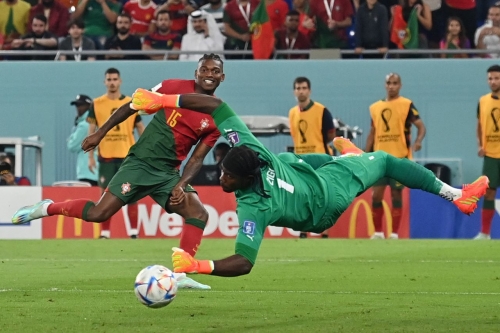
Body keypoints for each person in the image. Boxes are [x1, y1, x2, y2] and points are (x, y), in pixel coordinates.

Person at [122, 89, 488, 277]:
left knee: (388, 161)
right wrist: (163, 100)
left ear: (245, 177)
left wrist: (197, 265)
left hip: (325, 197)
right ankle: (352, 160)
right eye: (222, 171)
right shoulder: (249, 151)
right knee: (296, 160)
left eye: (227, 175)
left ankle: (459, 197)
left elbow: (244, 261)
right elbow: (215, 104)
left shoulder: (254, 205)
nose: (221, 176)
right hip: (313, 190)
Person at [11, 53, 225, 289]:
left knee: (199, 213)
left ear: (222, 77)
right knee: (98, 214)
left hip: (168, 173)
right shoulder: (171, 86)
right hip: (140, 163)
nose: (209, 75)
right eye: (204, 69)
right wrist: (99, 134)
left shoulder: (216, 117)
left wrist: (181, 184)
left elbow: (197, 158)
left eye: (215, 71)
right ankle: (46, 208)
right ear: (196, 73)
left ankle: (181, 273)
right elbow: (132, 107)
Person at [365, 73, 426, 240]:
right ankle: (377, 232)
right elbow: (373, 132)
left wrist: (419, 141)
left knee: (396, 195)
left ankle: (394, 233)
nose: (391, 86)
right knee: (376, 194)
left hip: (399, 158)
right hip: (380, 159)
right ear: (385, 85)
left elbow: (421, 126)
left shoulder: (407, 105)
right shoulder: (375, 107)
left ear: (400, 85)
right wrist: (364, 153)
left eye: (395, 83)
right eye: (389, 83)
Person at [87, 67, 145, 239]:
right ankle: (105, 233)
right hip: (106, 157)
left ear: (120, 81)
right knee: (106, 195)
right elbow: (92, 131)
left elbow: (140, 127)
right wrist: (90, 156)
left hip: (128, 157)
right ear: (105, 82)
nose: (112, 82)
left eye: (115, 79)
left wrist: (147, 150)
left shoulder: (131, 102)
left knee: (131, 194)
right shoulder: (96, 103)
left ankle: (134, 232)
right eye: (109, 79)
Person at [288, 76, 335, 239]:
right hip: (301, 159)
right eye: (298, 88)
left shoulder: (322, 110)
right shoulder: (292, 113)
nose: (301, 91)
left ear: (310, 90)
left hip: (320, 157)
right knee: (302, 195)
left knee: (322, 194)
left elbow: (331, 134)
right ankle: (303, 230)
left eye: (304, 88)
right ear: (294, 91)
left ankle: (324, 231)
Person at [475, 64, 500, 240]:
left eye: (497, 78)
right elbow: (480, 125)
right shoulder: (483, 101)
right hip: (491, 154)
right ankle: (485, 233)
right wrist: (480, 145)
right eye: (490, 78)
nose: (493, 81)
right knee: (489, 192)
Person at [67, 94, 99, 186]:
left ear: (89, 107)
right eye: (77, 105)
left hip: (87, 172)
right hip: (97, 171)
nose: (78, 108)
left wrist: (74, 128)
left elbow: (72, 146)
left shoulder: (84, 125)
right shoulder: (95, 121)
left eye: (81, 105)